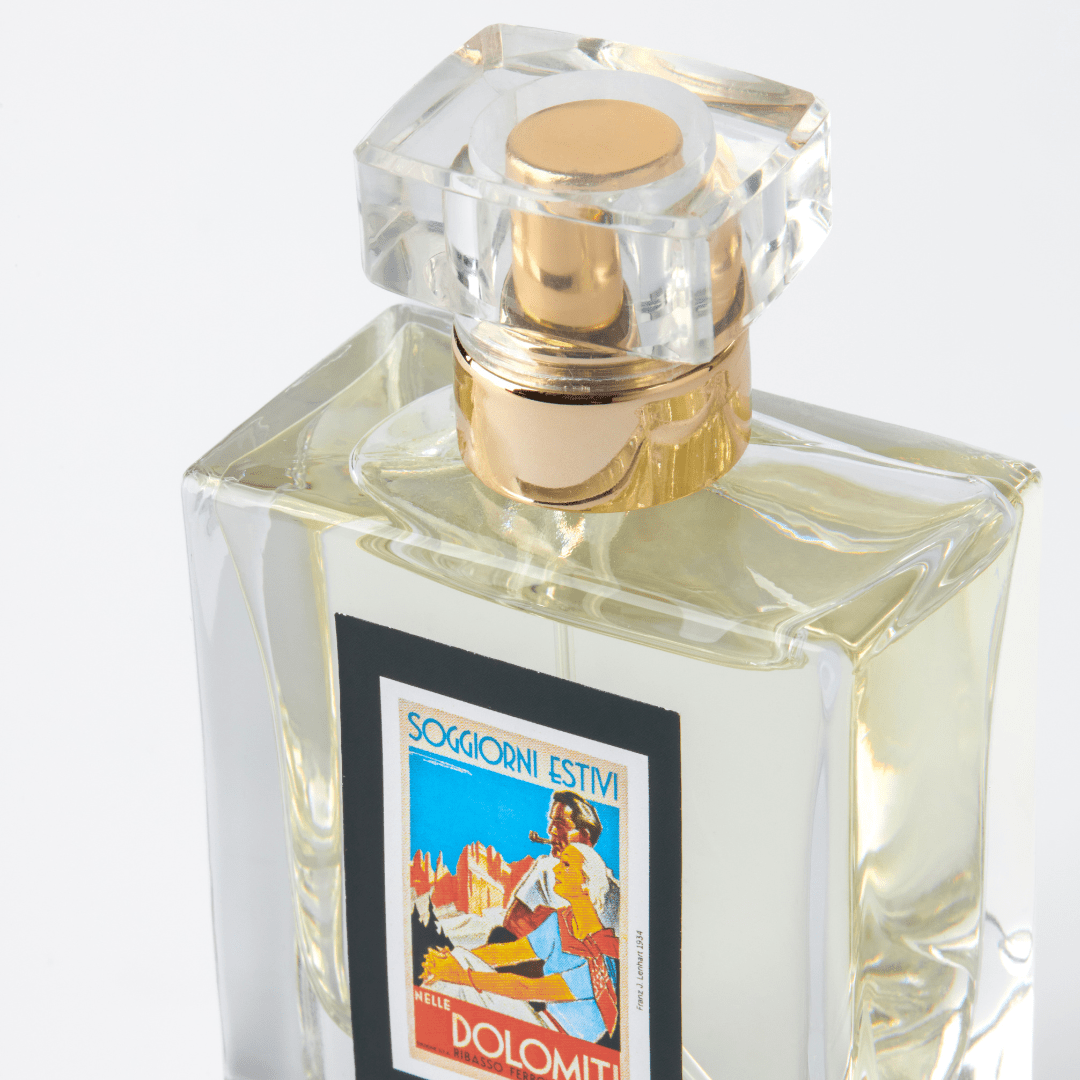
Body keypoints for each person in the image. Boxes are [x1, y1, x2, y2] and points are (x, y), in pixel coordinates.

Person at [423, 843, 619, 1044]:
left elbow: (527, 988)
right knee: (460, 957)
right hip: (541, 1020)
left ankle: (431, 1036)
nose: (556, 869)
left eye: (566, 865)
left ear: (586, 882)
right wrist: (450, 960)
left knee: (457, 981)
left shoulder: (602, 956)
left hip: (559, 1041)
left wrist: (460, 975)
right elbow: (508, 952)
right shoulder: (563, 922)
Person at [501, 790, 620, 939]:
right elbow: (514, 925)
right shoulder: (545, 870)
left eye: (560, 824)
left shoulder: (616, 892)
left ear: (584, 835)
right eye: (552, 822)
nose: (551, 830)